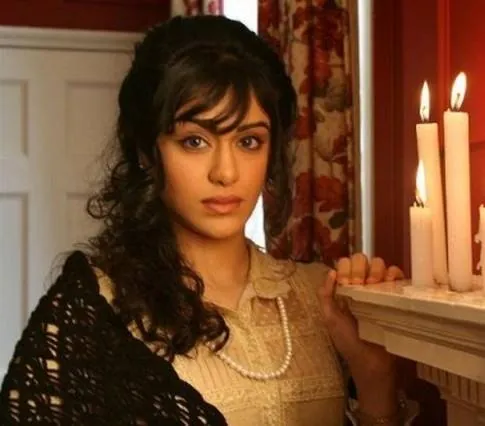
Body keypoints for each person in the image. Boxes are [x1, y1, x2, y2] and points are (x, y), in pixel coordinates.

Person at [0, 15, 415, 426]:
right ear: (145, 151)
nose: (226, 173)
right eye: (195, 141)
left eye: (248, 141)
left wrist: (374, 377)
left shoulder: (319, 296)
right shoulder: (97, 307)